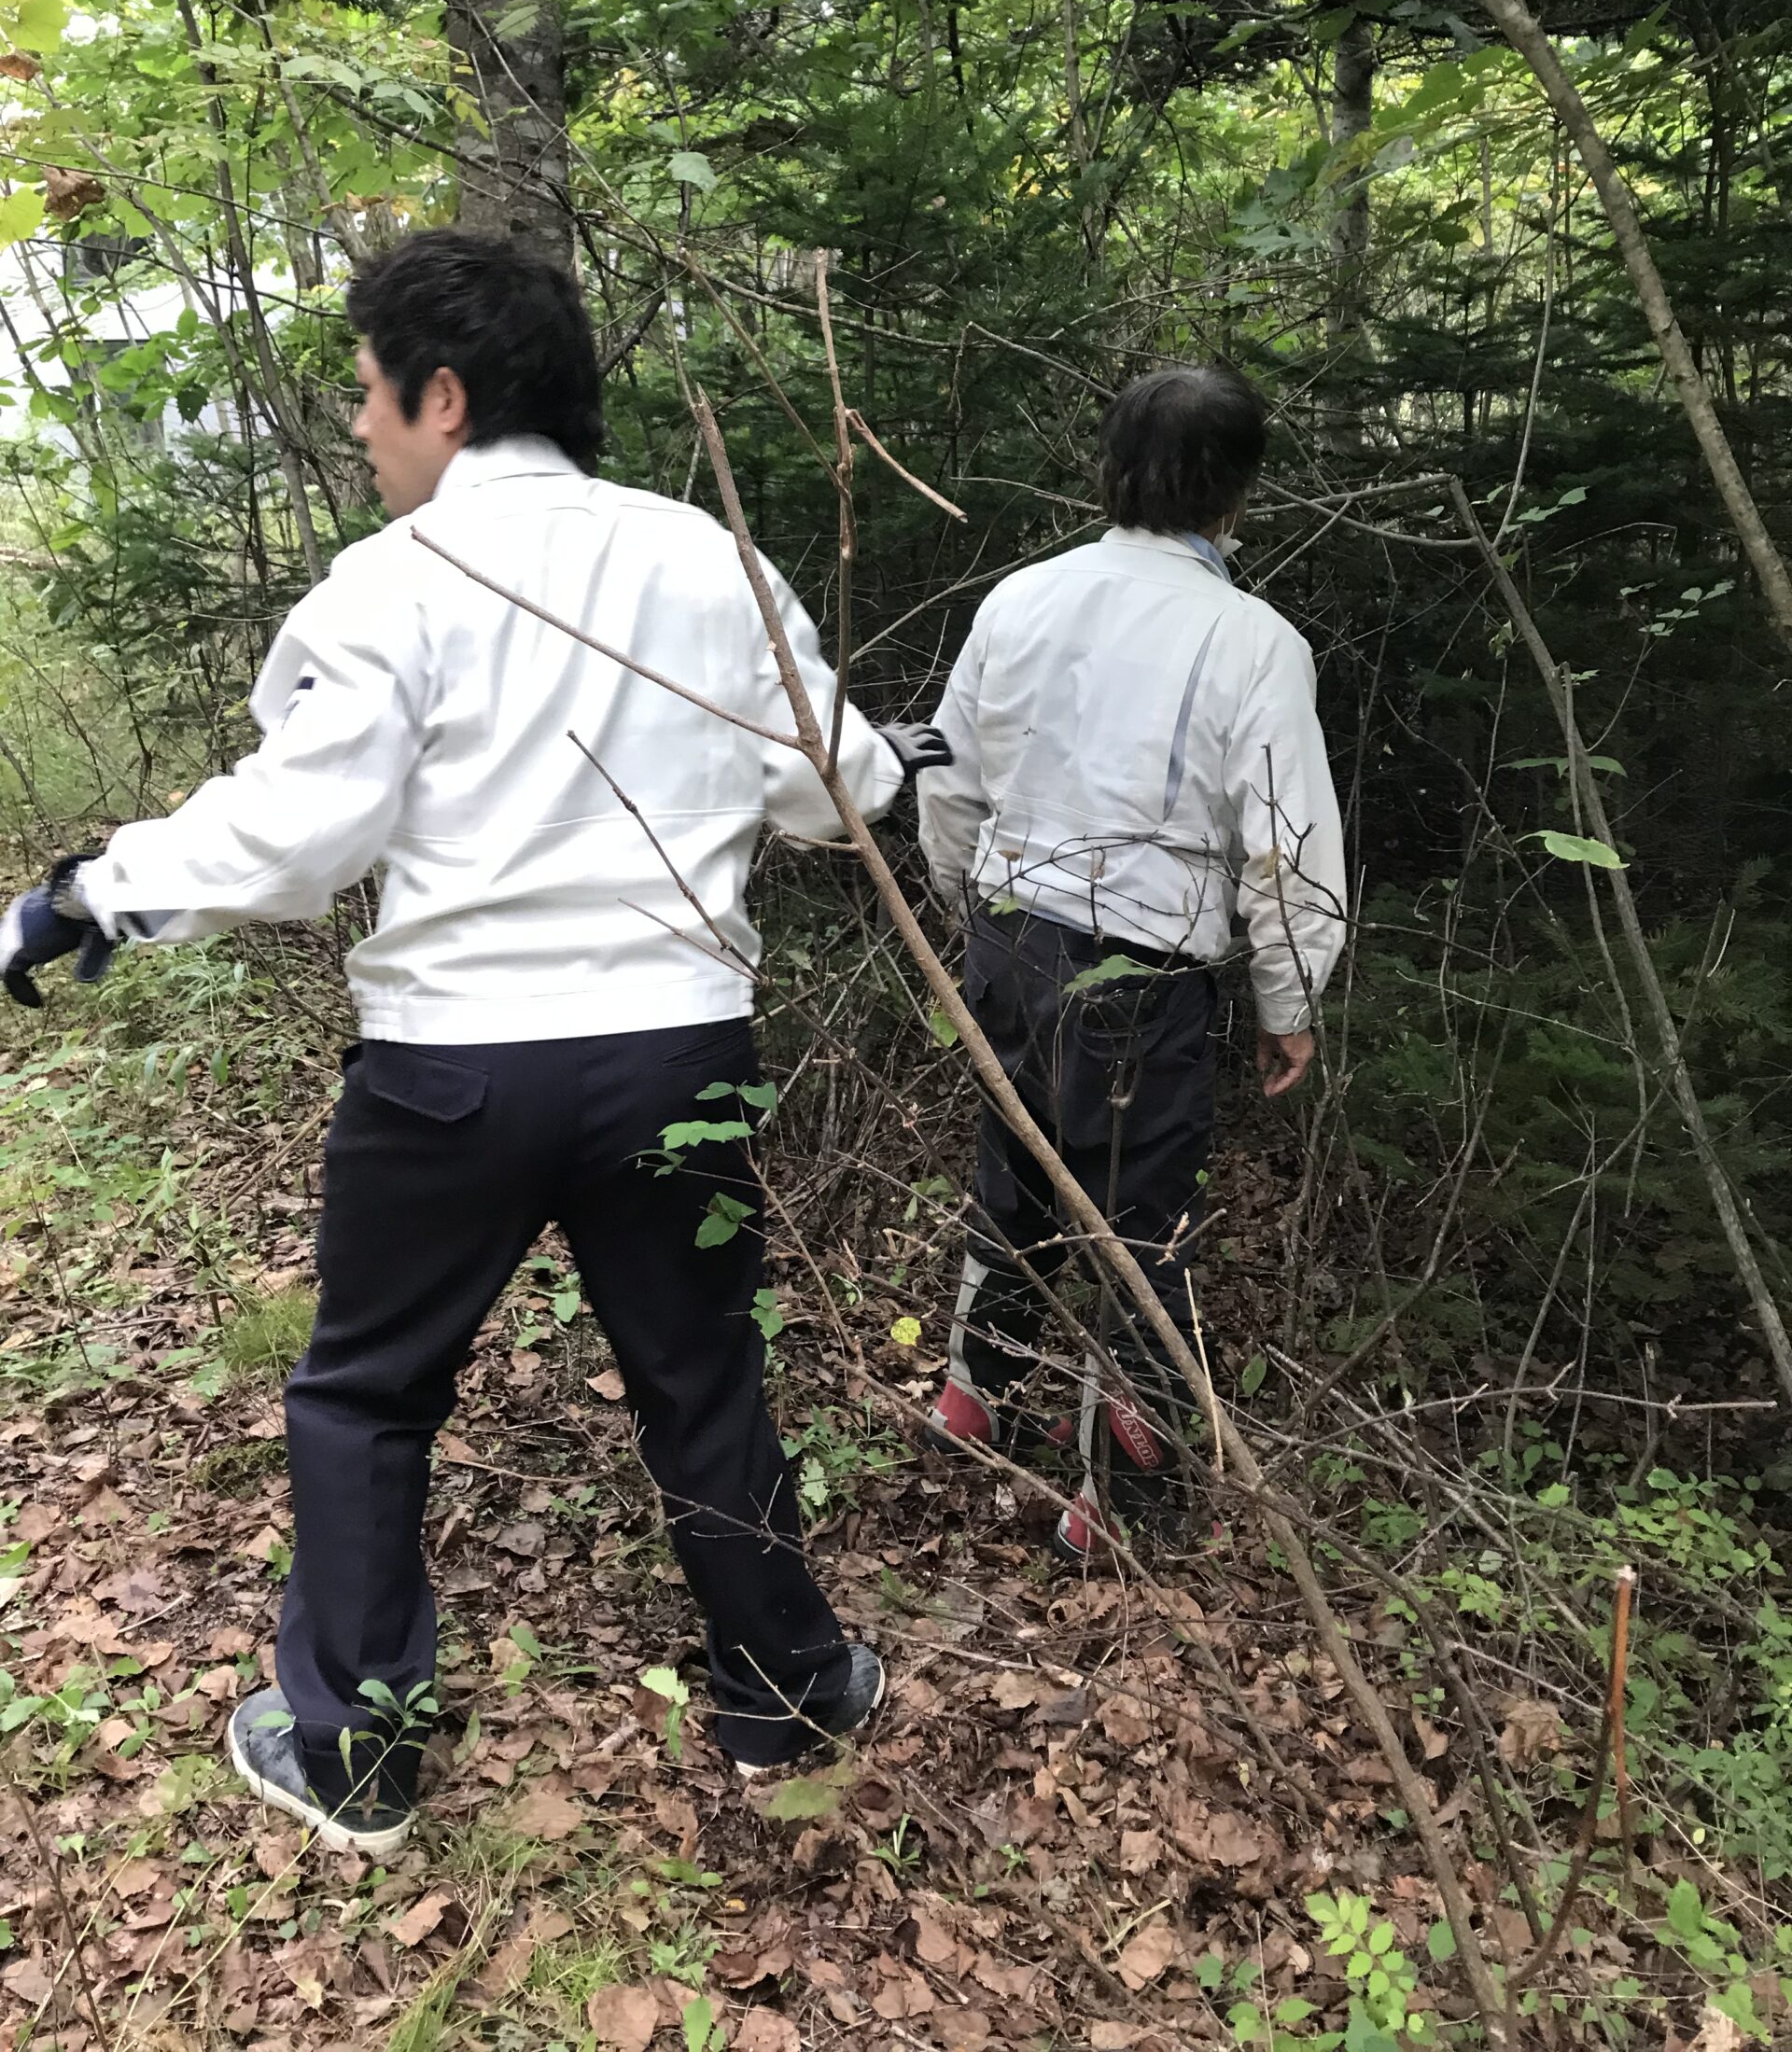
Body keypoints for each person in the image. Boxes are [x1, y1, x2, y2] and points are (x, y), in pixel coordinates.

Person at [1, 230, 949, 1852]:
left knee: (368, 1394)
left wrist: (94, 894)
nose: (360, 425)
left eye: (369, 394)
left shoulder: (397, 582)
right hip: (676, 1057)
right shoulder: (705, 559)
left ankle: (355, 1752)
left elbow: (297, 831)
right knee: (702, 1377)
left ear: (442, 397)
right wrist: (895, 759)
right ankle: (789, 1695)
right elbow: (832, 784)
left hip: (454, 1074)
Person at [916, 362, 1346, 1554]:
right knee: (1141, 1225)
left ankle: (973, 1395)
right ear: (1238, 495)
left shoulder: (1021, 599)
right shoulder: (1256, 642)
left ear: (1110, 470)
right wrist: (1289, 995)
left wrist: (967, 906)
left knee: (1016, 1168)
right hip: (1146, 975)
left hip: (1010, 936)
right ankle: (1121, 1497)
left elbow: (947, 776)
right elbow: (1287, 843)